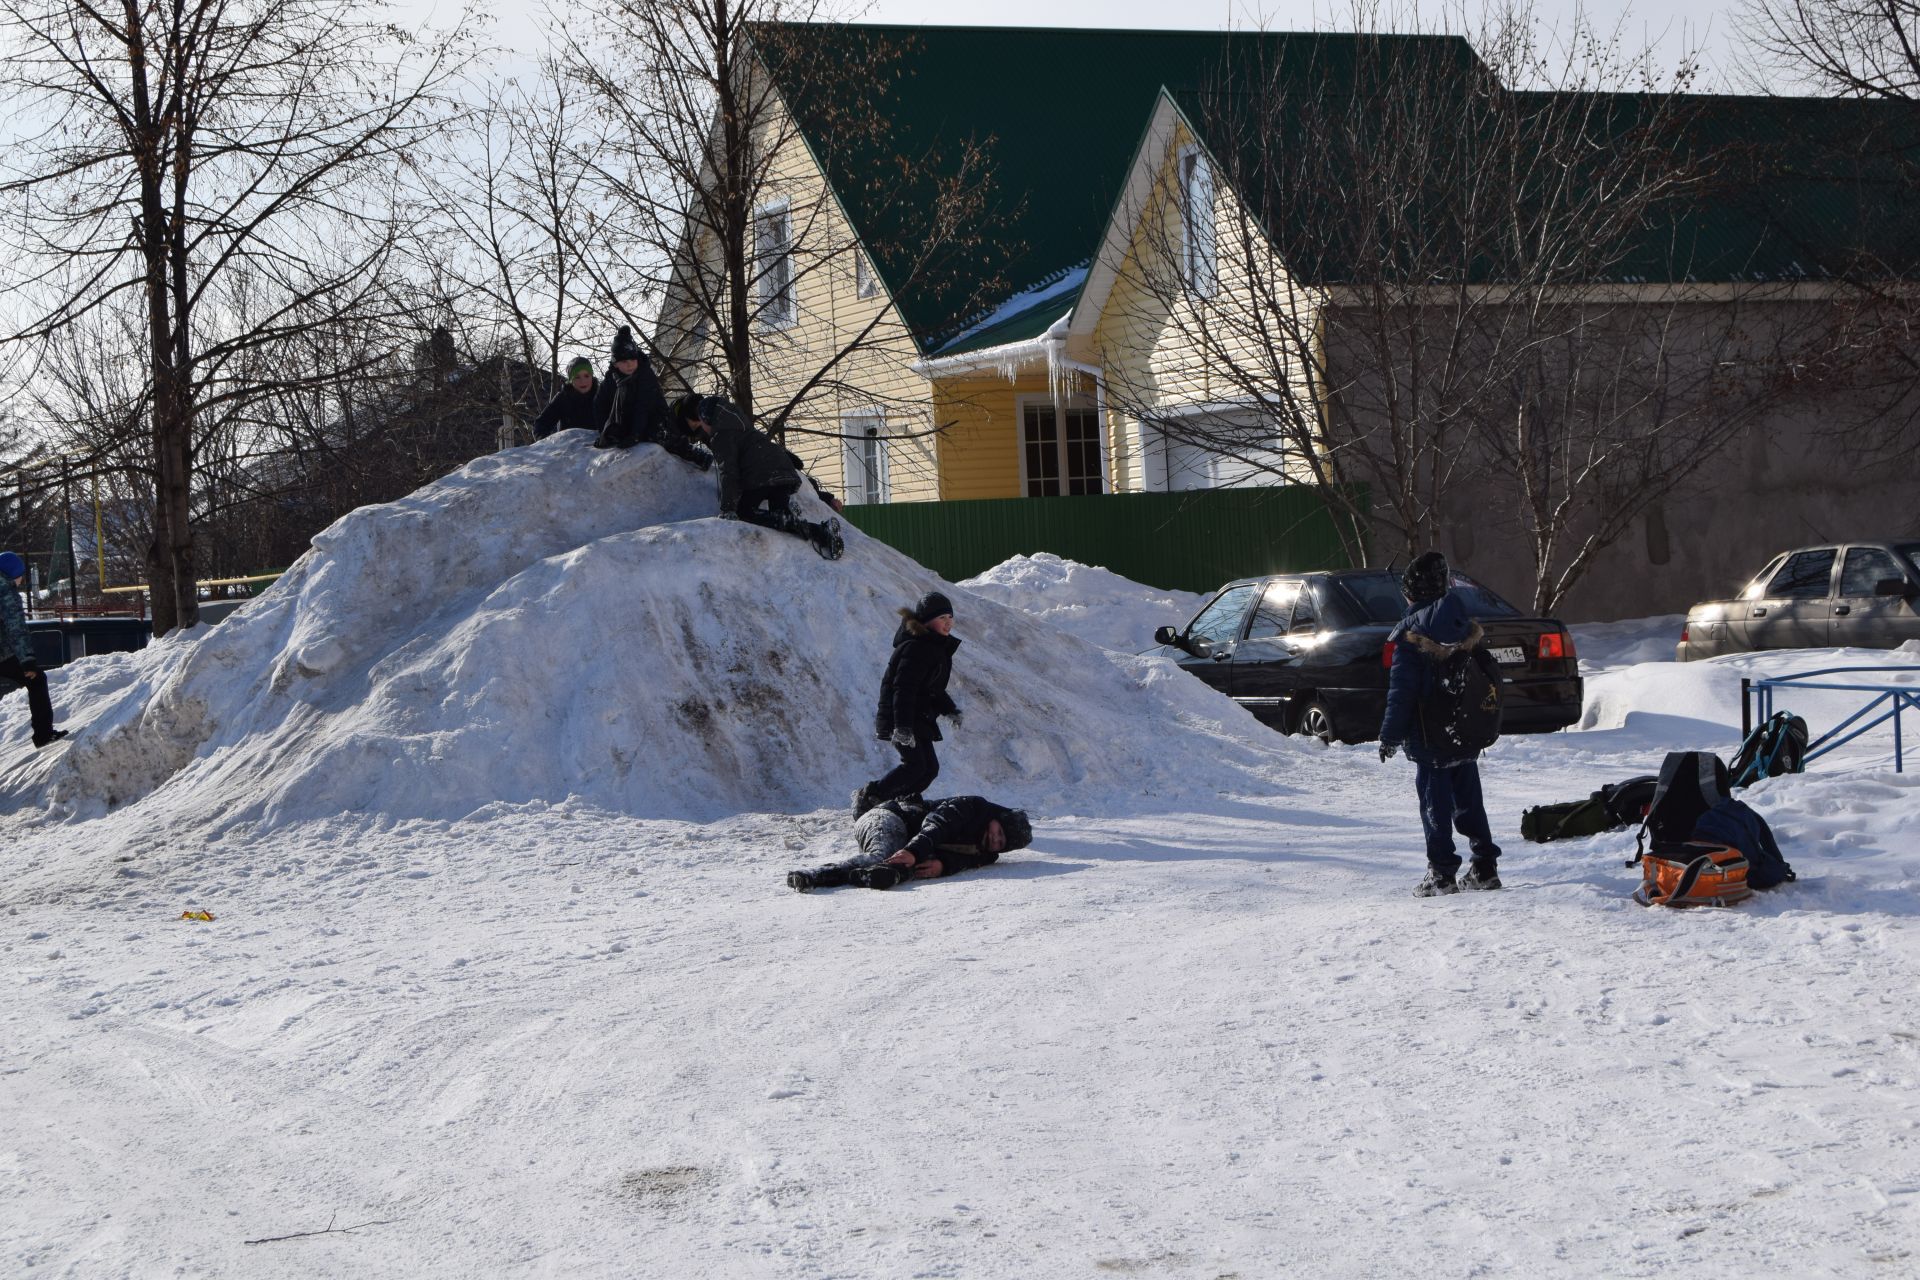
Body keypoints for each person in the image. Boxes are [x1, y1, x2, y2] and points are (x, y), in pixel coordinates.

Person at [1377, 550, 1502, 896]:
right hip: (1465, 730)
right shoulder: (1463, 624)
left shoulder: (1410, 635)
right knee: (1470, 802)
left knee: (1435, 807)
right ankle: (1485, 867)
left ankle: (1442, 875)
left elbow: (1401, 693)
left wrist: (1389, 735)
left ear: (1411, 593)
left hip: (1429, 738)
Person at [673, 394, 842, 559]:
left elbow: (729, 472)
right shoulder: (739, 423)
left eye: (701, 424)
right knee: (780, 516)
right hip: (781, 469)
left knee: (745, 512)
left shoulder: (721, 436)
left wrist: (728, 509)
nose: (702, 429)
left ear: (706, 419)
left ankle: (801, 522)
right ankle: (821, 532)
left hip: (762, 475)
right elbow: (763, 447)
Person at [787, 794, 1033, 891]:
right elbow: (937, 824)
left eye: (1002, 843)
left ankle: (870, 876)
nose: (996, 840)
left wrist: (943, 866)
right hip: (889, 817)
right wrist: (914, 851)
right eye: (999, 832)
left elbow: (963, 860)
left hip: (911, 842)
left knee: (912, 867)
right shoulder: (971, 807)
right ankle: (814, 875)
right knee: (881, 854)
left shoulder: (987, 853)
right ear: (996, 819)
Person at [855, 591, 960, 815]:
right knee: (915, 766)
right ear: (926, 620)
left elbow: (931, 688)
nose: (948, 622)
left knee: (929, 769)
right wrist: (901, 726)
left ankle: (905, 799)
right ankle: (870, 797)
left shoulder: (935, 647)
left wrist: (950, 709)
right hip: (902, 716)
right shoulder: (915, 647)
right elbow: (903, 689)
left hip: (918, 716)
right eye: (942, 618)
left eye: (950, 617)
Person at [593, 325, 709, 468]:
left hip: (655, 417)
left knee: (663, 435)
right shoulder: (612, 379)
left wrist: (635, 434)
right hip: (628, 418)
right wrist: (603, 430)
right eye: (624, 361)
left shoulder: (645, 375)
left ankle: (697, 456)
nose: (629, 365)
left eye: (632, 360)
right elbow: (599, 404)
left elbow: (643, 406)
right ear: (615, 364)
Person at [0, 551, 65, 749]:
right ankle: (44, 734)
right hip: (3, 655)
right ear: (13, 574)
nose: (21, 580)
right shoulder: (6, 591)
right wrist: (27, 660)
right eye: (21, 575)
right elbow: (16, 628)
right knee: (37, 680)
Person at [530, 357, 600, 439]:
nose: (583, 381)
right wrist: (546, 443)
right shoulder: (563, 398)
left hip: (599, 449)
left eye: (586, 376)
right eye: (577, 377)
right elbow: (541, 424)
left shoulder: (602, 396)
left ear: (592, 376)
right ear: (571, 380)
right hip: (569, 448)